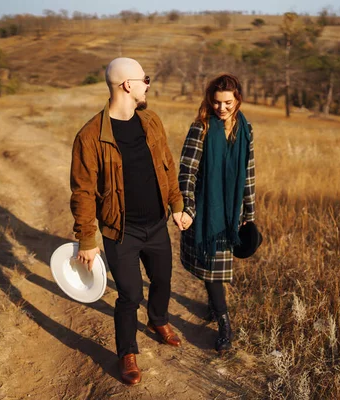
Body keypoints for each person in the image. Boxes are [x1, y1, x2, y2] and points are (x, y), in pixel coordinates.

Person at [70, 57, 185, 385]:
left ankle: (158, 321)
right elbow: (83, 192)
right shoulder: (90, 136)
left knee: (163, 280)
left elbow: (167, 166)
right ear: (127, 85)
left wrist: (176, 205)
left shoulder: (151, 121)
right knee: (130, 295)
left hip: (156, 224)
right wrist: (87, 240)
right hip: (121, 230)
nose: (148, 84)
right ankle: (127, 353)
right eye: (144, 79)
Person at [178, 73, 256, 353]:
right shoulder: (200, 128)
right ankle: (224, 324)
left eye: (227, 102)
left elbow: (248, 173)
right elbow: (187, 170)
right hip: (205, 209)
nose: (221, 108)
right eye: (216, 102)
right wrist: (187, 206)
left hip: (230, 211)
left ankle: (214, 307)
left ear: (238, 100)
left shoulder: (245, 130)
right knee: (211, 267)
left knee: (215, 267)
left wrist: (250, 212)